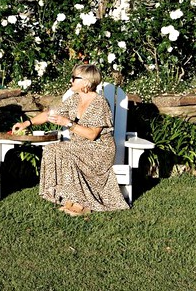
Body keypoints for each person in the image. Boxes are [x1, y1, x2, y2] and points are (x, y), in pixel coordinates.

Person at [12, 63, 128, 216]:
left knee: (67, 152)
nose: (71, 80)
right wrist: (26, 123)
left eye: (74, 78)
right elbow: (49, 114)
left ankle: (82, 203)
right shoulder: (74, 99)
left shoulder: (100, 103)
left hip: (98, 150)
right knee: (52, 149)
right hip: (79, 146)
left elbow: (92, 135)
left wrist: (68, 123)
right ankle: (68, 197)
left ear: (86, 82)